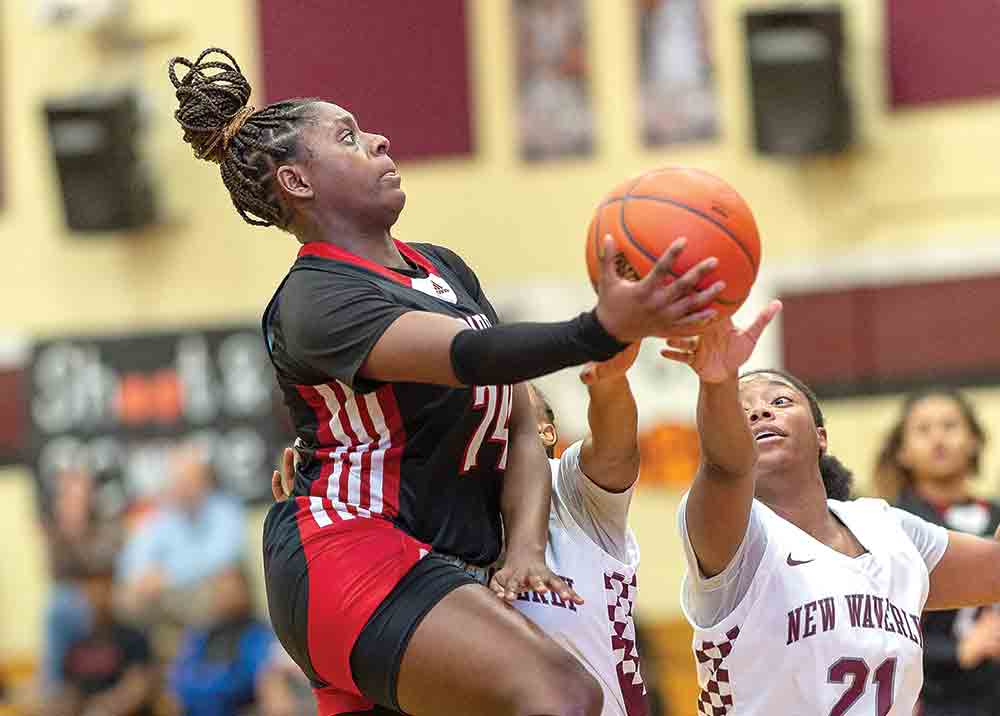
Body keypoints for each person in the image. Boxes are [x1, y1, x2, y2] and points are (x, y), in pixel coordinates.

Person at [167, 44, 725, 716]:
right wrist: (601, 329)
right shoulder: (316, 300)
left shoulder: (441, 268)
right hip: (349, 549)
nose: (378, 138)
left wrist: (523, 552)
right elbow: (471, 357)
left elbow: (521, 419)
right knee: (561, 694)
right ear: (297, 183)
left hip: (448, 566)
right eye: (346, 136)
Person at [273, 344, 649, 715]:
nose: (486, 414)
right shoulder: (421, 516)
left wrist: (610, 381)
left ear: (545, 432)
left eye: (507, 408)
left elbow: (616, 451)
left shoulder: (568, 491)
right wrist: (319, 544)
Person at [665, 301, 1000, 715]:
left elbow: (994, 570)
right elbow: (724, 467)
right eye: (742, 408)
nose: (759, 410)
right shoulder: (733, 537)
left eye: (781, 401)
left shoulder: (885, 527)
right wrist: (716, 384)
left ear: (820, 436)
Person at [875, 389, 1000, 716]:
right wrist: (959, 649)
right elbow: (875, 624)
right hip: (936, 699)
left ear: (974, 439)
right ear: (902, 452)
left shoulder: (995, 515)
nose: (938, 438)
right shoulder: (890, 523)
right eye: (923, 430)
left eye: (950, 425)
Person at [118, 444, 245, 627]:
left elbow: (223, 558)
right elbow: (133, 558)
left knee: (226, 587)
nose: (182, 488)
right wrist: (143, 576)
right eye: (177, 481)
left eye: (188, 481)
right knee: (128, 597)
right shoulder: (162, 515)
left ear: (204, 482)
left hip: (206, 589)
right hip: (167, 597)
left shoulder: (225, 510)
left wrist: (169, 576)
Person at [41, 468, 121, 695]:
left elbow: (106, 567)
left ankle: (55, 689)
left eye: (77, 498)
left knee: (61, 605)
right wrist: (70, 534)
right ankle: (54, 690)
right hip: (73, 603)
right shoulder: (57, 535)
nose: (71, 504)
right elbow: (58, 573)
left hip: (106, 599)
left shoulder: (107, 527)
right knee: (57, 604)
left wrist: (79, 536)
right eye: (66, 498)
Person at [44, 562, 157, 716]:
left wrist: (107, 707)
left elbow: (138, 686)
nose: (97, 596)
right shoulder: (76, 639)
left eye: (103, 587)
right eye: (90, 589)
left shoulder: (133, 636)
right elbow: (68, 689)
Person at [168, 566, 276, 716]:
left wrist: (207, 680)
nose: (226, 596)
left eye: (232, 590)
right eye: (221, 591)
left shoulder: (259, 633)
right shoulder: (202, 632)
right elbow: (180, 676)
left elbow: (247, 677)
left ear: (245, 592)